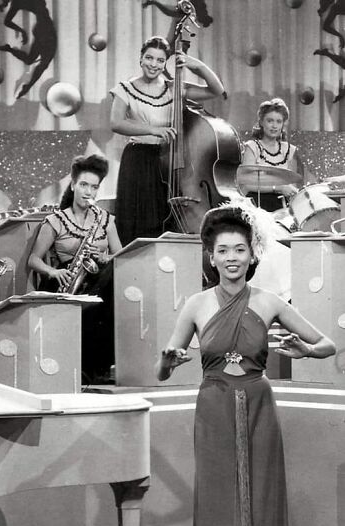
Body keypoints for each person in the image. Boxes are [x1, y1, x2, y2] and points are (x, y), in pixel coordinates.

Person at [156, 201, 335, 526]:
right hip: (213, 409)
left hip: (258, 406)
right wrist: (168, 360)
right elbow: (161, 369)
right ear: (210, 256)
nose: (232, 257)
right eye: (222, 250)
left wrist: (304, 351)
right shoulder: (194, 304)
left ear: (251, 255)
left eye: (240, 248)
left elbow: (328, 344)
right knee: (220, 517)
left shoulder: (269, 301)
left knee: (259, 512)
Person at [110, 35, 226, 246]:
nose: (154, 64)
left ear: (165, 63)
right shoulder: (125, 88)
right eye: (149, 58)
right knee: (138, 218)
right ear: (141, 59)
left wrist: (196, 65)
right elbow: (116, 123)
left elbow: (216, 90)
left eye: (160, 60)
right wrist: (154, 130)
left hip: (168, 160)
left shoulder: (174, 87)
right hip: (138, 158)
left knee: (165, 216)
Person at [27, 154, 121, 382]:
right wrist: (53, 271)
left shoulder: (105, 219)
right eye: (84, 185)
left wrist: (103, 256)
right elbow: (33, 259)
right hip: (66, 281)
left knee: (117, 277)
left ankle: (99, 365)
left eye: (94, 187)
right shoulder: (56, 220)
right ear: (73, 185)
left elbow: (121, 254)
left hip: (100, 277)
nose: (88, 192)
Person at [241, 98, 304, 212]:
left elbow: (291, 184)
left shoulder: (289, 150)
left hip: (282, 208)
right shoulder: (252, 147)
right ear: (261, 122)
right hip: (255, 207)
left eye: (278, 121)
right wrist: (278, 188)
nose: (274, 126)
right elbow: (246, 184)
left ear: (283, 124)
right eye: (270, 121)